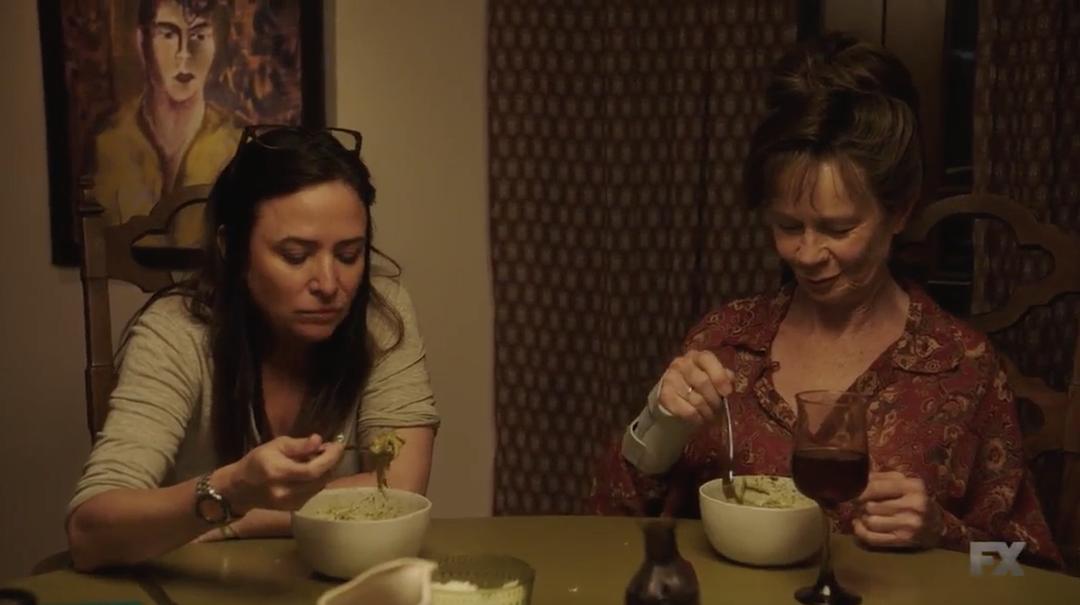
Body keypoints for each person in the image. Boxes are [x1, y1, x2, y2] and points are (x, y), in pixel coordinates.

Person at [588, 33, 1062, 567]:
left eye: (838, 229)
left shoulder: (963, 368)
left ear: (900, 212)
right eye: (788, 226)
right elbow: (606, 525)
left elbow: (1029, 574)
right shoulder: (725, 341)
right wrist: (659, 424)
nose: (808, 254)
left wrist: (942, 533)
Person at [66, 125, 439, 571]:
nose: (329, 284)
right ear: (233, 250)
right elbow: (89, 534)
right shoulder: (176, 333)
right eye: (295, 255)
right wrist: (234, 486)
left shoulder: (381, 315)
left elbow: (399, 486)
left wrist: (238, 516)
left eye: (348, 255)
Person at [91, 0, 241, 247]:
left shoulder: (235, 145)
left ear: (216, 44)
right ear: (143, 42)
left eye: (199, 35)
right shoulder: (107, 142)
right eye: (168, 34)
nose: (184, 54)